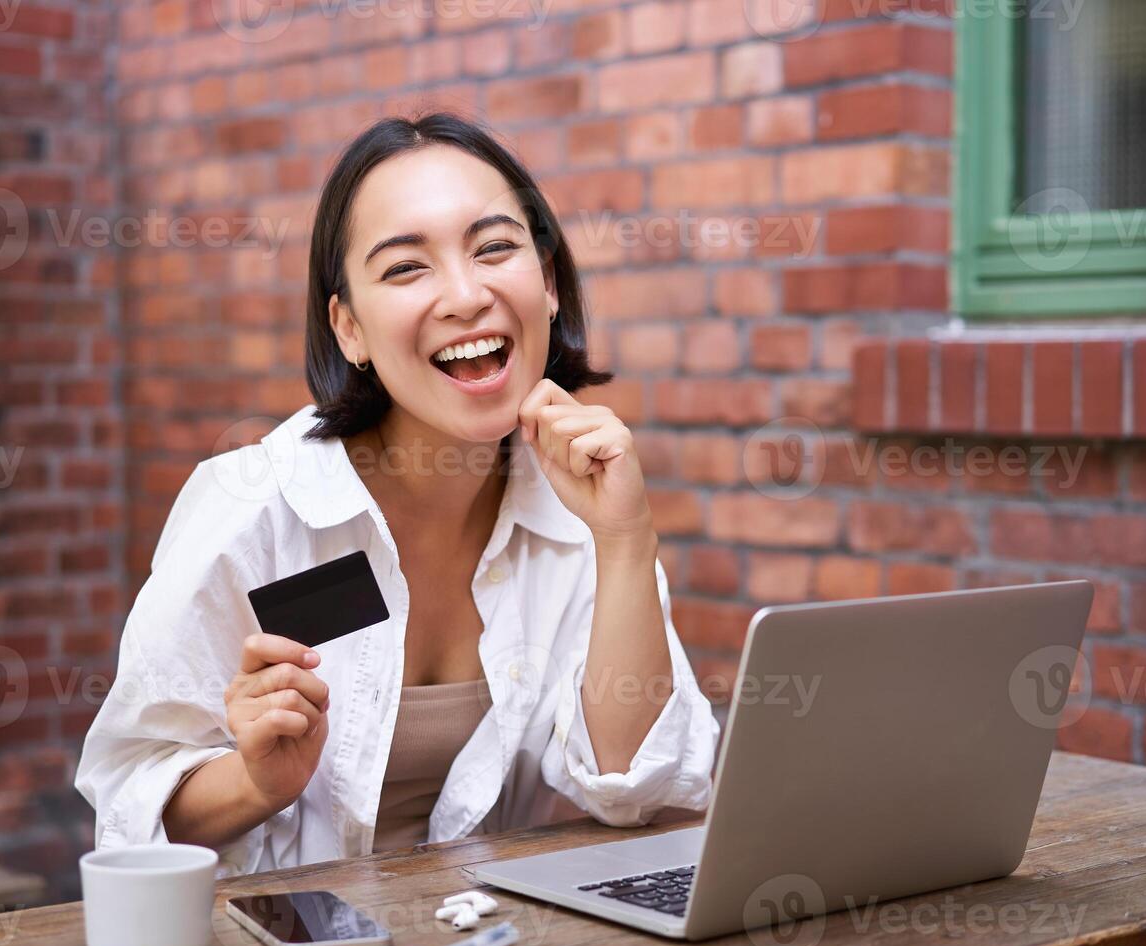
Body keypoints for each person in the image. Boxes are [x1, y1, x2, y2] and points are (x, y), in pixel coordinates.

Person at [74, 111, 720, 876]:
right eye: (407, 267)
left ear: (547, 283)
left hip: (497, 937)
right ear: (349, 329)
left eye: (494, 248)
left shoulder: (578, 509)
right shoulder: (258, 506)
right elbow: (127, 801)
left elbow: (631, 788)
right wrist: (254, 782)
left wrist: (625, 541)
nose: (464, 294)